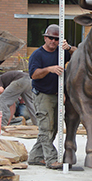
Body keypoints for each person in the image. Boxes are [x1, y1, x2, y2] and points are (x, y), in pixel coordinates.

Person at [27, 24, 76, 169]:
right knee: (46, 128)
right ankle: (51, 159)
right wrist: (49, 69)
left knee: (53, 128)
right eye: (50, 38)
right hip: (43, 95)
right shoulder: (38, 55)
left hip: (57, 95)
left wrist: (68, 48)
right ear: (45, 38)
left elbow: (78, 53)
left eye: (56, 39)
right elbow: (34, 74)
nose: (53, 41)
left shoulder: (61, 52)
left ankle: (35, 156)